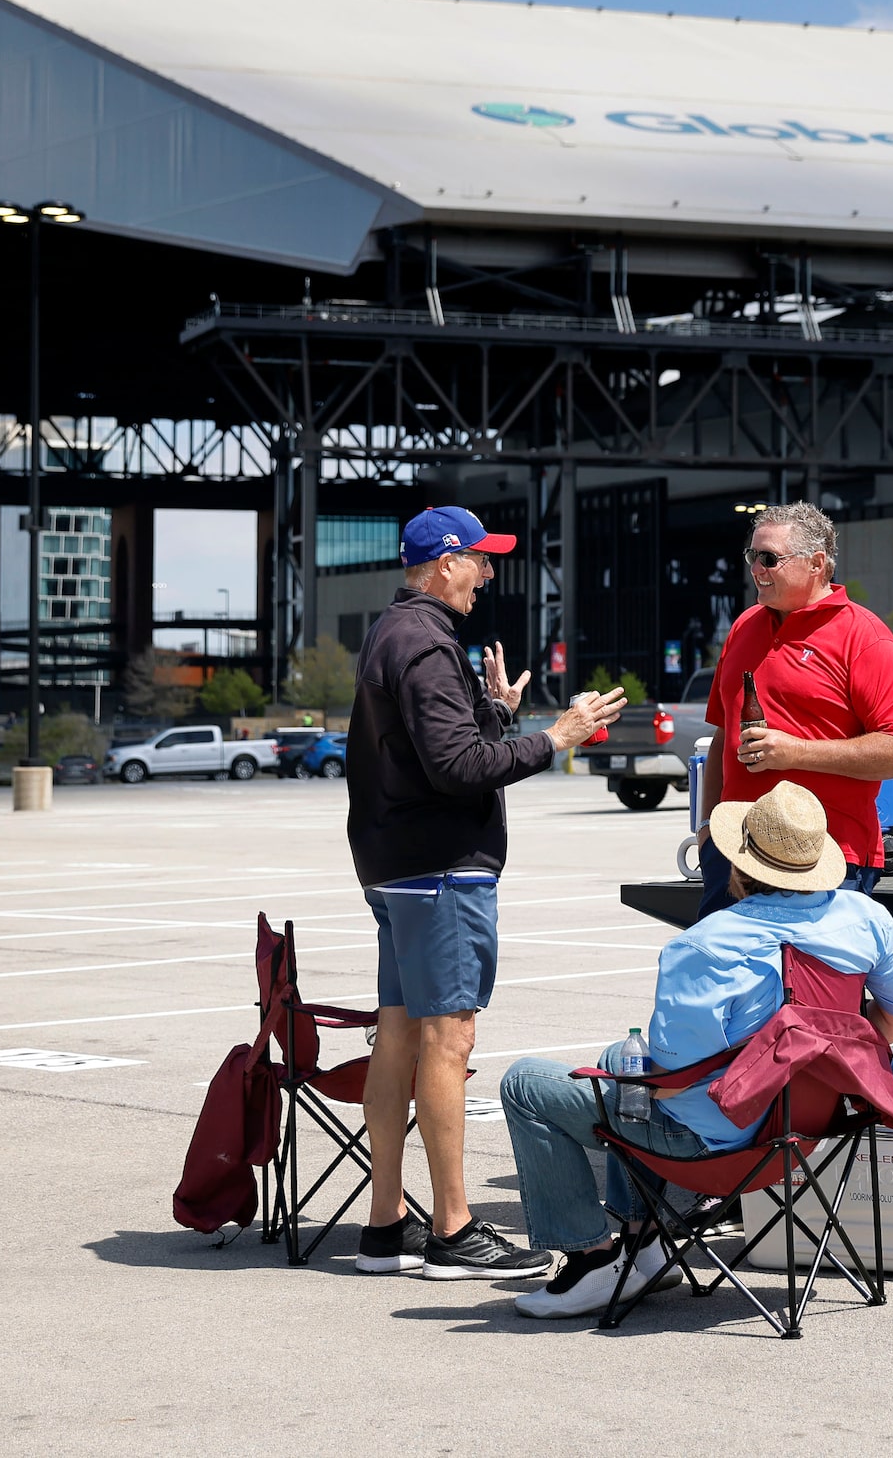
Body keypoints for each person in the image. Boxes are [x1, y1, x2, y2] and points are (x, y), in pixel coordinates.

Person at [497, 781, 893, 1319]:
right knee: (618, 1058)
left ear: (738, 865)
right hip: (805, 1130)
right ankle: (644, 1243)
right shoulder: (865, 918)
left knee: (527, 1083)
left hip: (716, 1149)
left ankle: (591, 1258)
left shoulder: (705, 941)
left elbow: (672, 1079)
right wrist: (824, 1057)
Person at [346, 504, 628, 1281]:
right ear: (444, 564)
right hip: (439, 865)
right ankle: (452, 1230)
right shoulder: (426, 643)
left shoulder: (397, 632)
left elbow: (438, 747)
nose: (490, 572)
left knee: (400, 1031)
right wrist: (555, 737)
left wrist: (498, 711)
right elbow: (457, 769)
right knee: (449, 1039)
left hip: (397, 862)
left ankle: (384, 1225)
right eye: (480, 558)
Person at [695, 501, 893, 913]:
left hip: (828, 858)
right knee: (723, 975)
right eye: (752, 556)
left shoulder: (863, 636)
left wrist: (796, 751)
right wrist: (708, 826)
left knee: (813, 979)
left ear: (816, 563)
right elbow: (721, 737)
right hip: (735, 852)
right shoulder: (745, 626)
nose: (757, 569)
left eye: (770, 558)